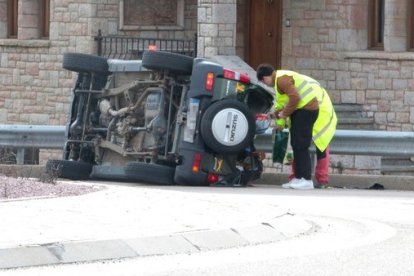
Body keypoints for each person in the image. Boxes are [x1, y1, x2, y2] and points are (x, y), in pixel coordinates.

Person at [257, 64, 337, 189]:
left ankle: (306, 179)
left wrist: (284, 114)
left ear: (264, 78)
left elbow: (295, 98)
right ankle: (298, 178)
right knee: (296, 144)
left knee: (301, 144)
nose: (266, 84)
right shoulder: (279, 80)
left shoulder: (281, 79)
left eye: (264, 82)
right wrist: (278, 118)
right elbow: (284, 103)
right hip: (302, 110)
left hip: (307, 109)